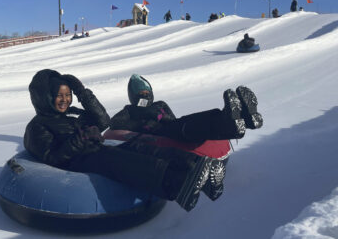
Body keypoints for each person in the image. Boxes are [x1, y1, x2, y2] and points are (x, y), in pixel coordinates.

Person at [23, 69, 217, 211]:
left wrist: (82, 92)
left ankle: (197, 166)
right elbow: (51, 157)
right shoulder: (37, 126)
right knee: (120, 160)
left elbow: (103, 121)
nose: (65, 100)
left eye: (68, 95)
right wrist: (79, 141)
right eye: (59, 95)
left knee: (137, 147)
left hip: (93, 151)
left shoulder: (70, 117)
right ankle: (178, 184)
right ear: (45, 97)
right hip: (79, 161)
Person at [110, 74, 263, 200]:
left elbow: (173, 119)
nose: (144, 96)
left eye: (146, 93)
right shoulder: (129, 111)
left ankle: (231, 121)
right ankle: (227, 123)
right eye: (140, 93)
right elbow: (114, 124)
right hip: (155, 137)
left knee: (186, 125)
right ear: (133, 96)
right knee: (180, 129)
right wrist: (140, 123)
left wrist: (161, 117)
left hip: (169, 129)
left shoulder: (159, 105)